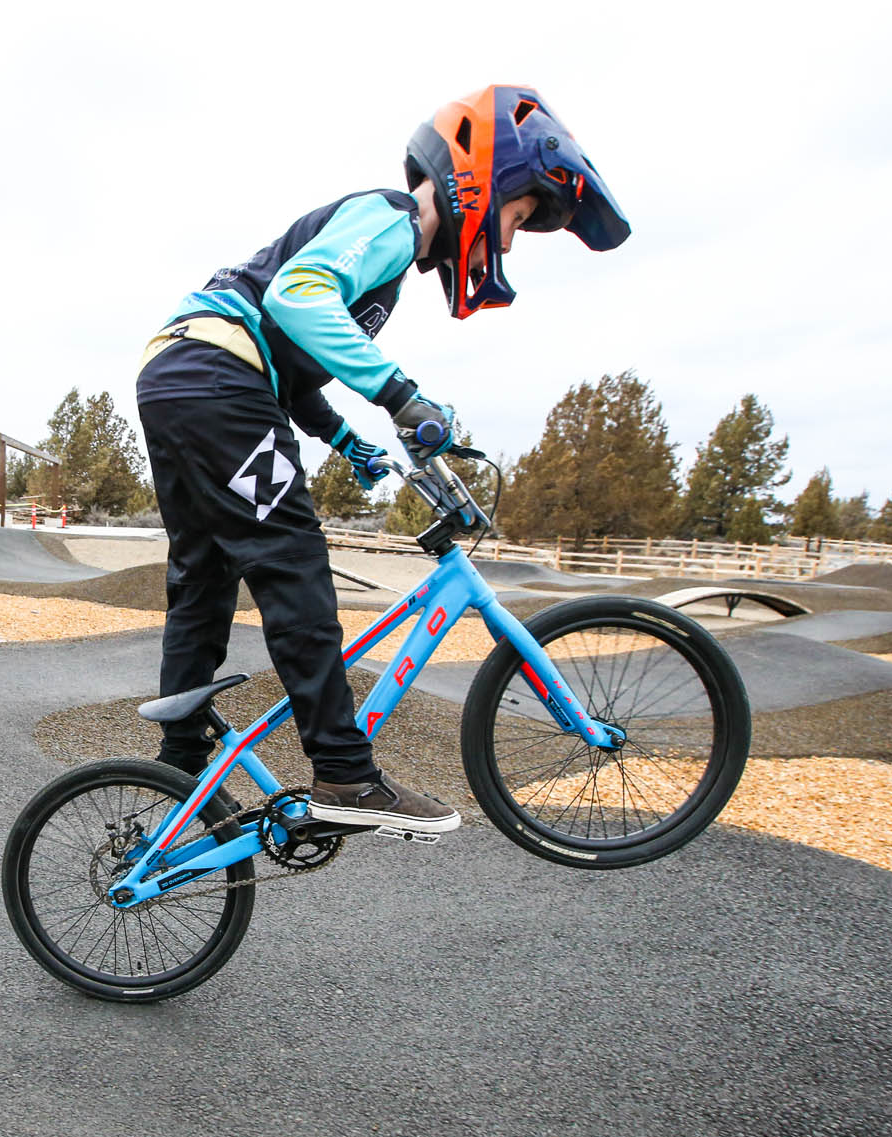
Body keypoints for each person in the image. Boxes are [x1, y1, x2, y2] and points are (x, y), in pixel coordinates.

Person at [134, 84, 630, 833]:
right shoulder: (394, 220)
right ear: (484, 179)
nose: (513, 235)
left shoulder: (382, 269)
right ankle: (344, 773)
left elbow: (292, 370)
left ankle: (178, 770)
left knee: (205, 573)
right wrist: (402, 397)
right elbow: (299, 298)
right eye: (520, 217)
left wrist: (348, 440)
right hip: (215, 380)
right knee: (292, 556)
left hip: (185, 379)